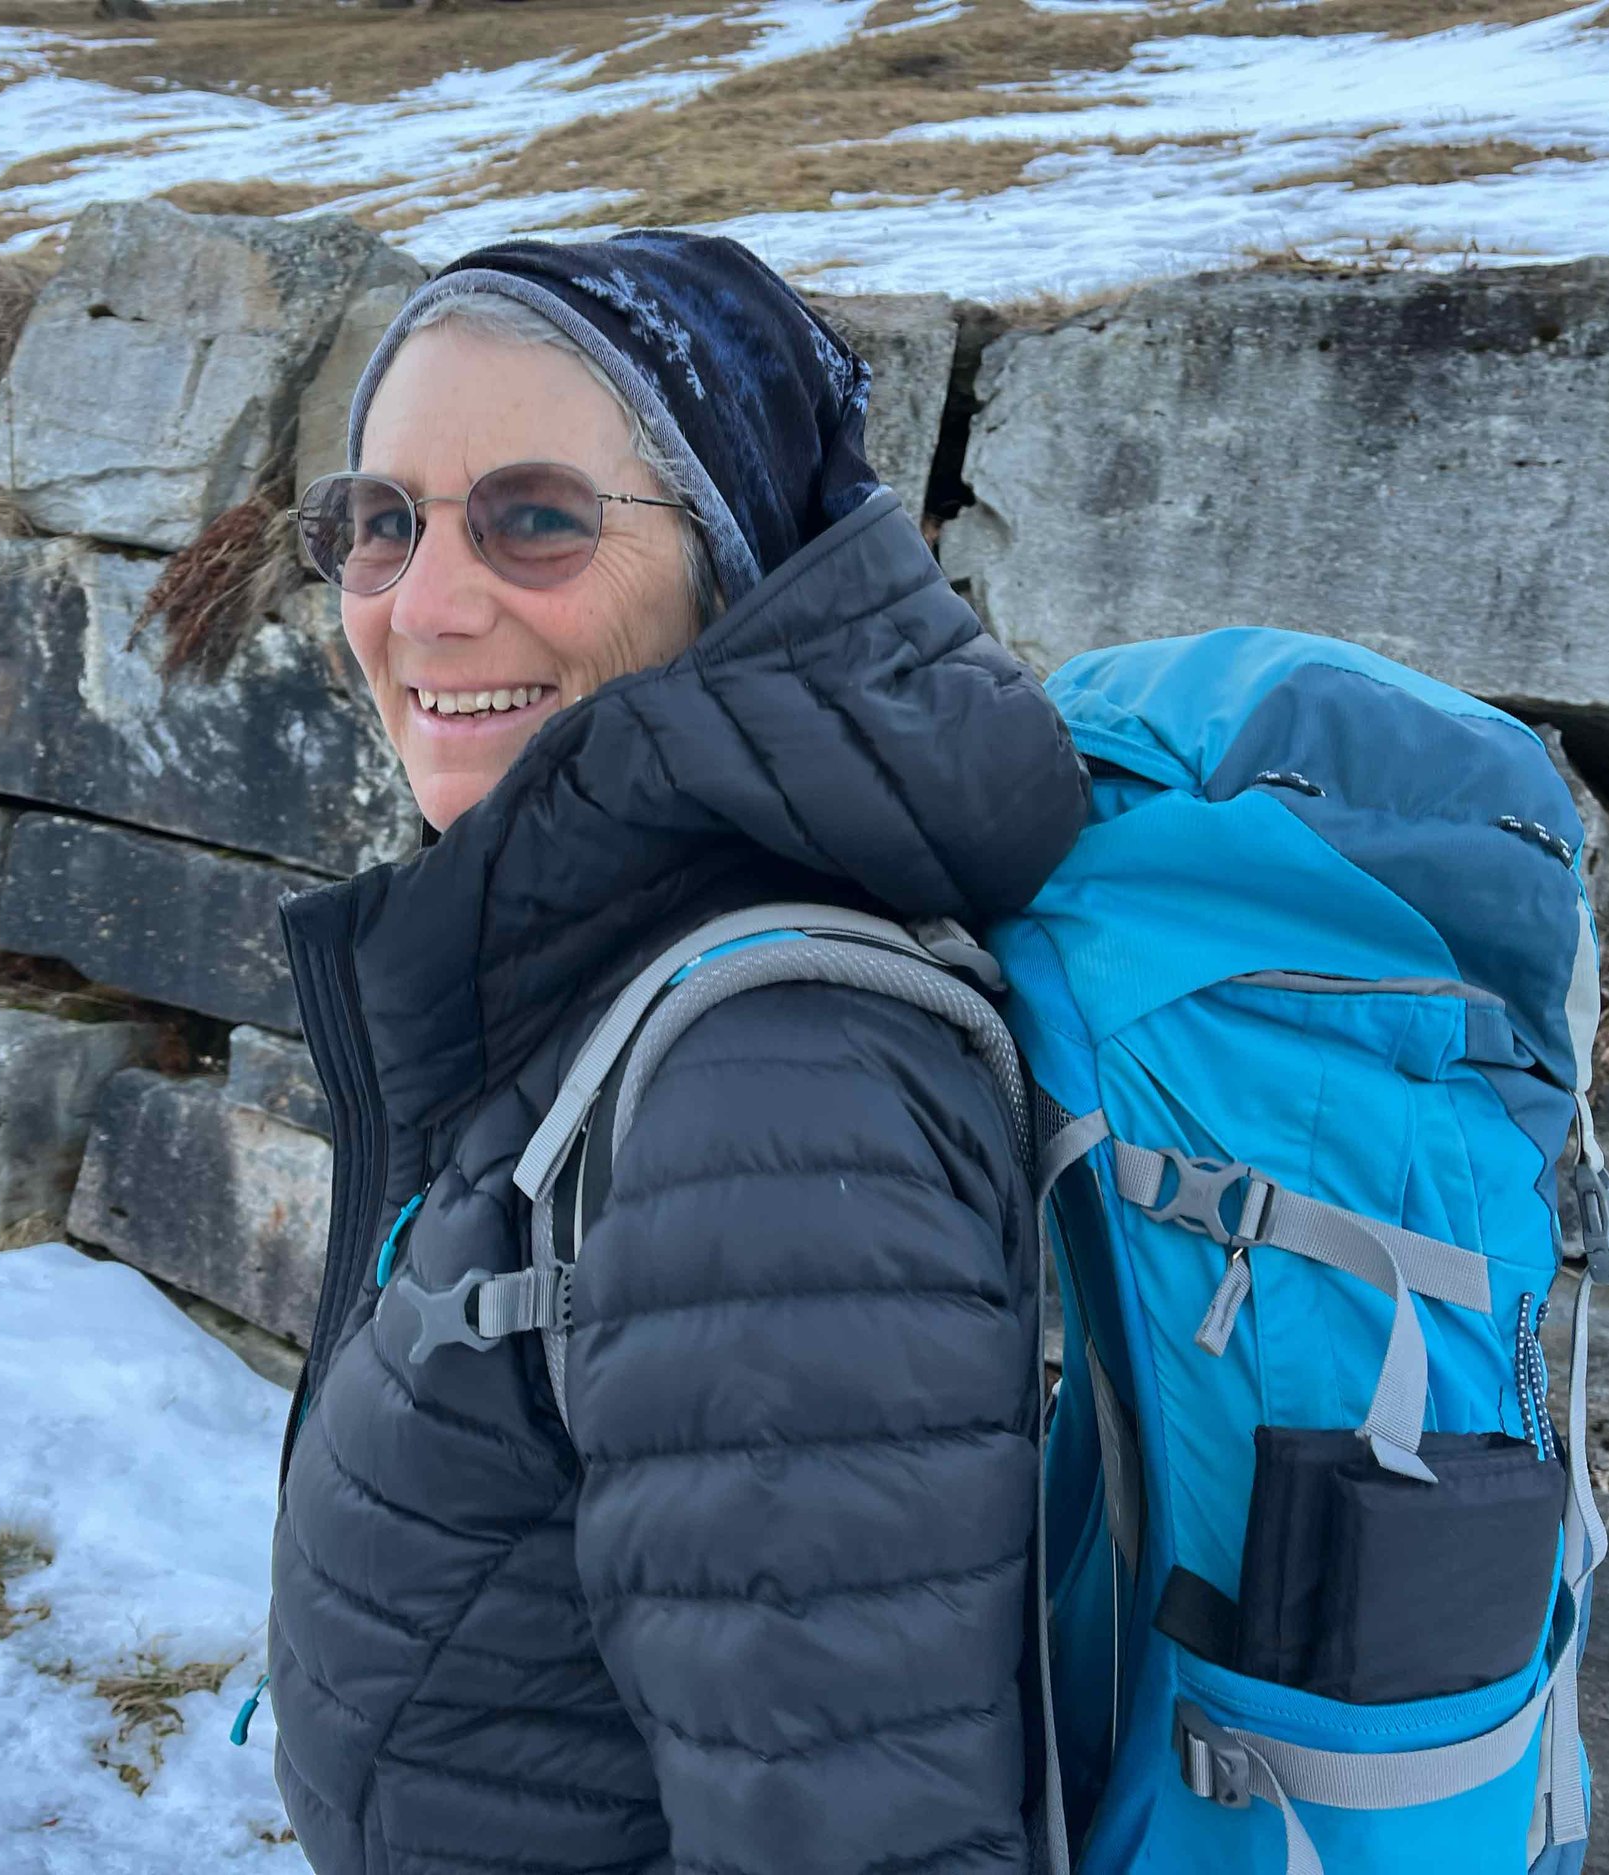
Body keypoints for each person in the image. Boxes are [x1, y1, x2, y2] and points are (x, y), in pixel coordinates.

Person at [267, 231, 1089, 1874]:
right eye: (380, 524)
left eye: (537, 518)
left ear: (732, 564)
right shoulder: (606, 958)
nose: (423, 605)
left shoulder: (768, 1097)